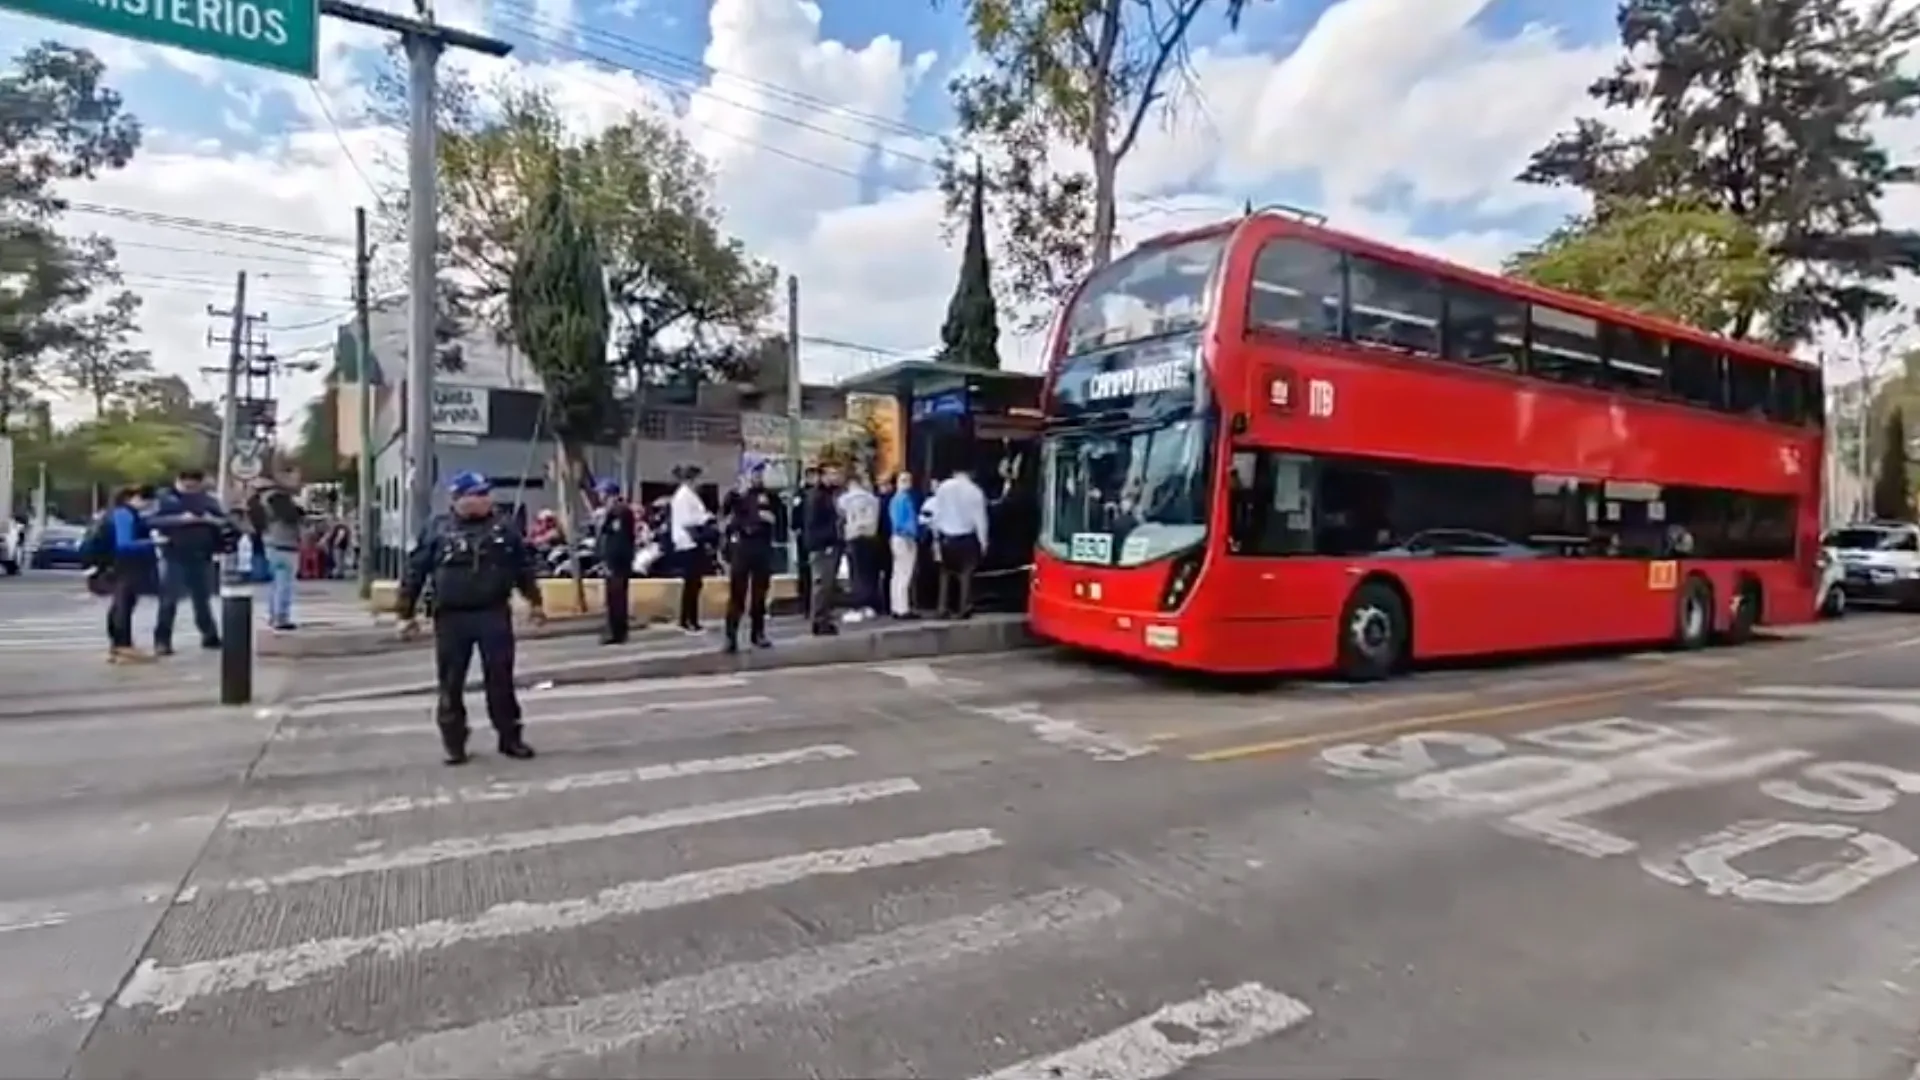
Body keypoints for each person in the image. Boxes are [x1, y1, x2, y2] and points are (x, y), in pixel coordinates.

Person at [397, 471, 546, 766]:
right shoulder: (438, 529)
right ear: (458, 498)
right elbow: (415, 571)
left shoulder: (504, 528)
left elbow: (523, 567)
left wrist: (535, 603)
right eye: (477, 494)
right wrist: (405, 613)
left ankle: (510, 737)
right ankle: (454, 742)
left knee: (500, 678)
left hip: (493, 613)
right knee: (451, 682)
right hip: (451, 616)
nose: (485, 499)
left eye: (486, 494)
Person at [149, 468, 233, 655]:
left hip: (202, 555)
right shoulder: (166, 500)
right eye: (187, 486)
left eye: (195, 486)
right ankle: (162, 640)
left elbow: (224, 522)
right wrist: (179, 520)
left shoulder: (208, 501)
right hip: (174, 555)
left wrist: (210, 520)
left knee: (202, 599)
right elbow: (151, 521)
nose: (191, 489)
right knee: (169, 600)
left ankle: (209, 635)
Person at [99, 485, 160, 664]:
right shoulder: (124, 514)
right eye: (145, 499)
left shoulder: (117, 513)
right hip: (125, 564)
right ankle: (122, 646)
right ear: (131, 498)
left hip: (119, 564)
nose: (148, 504)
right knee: (123, 604)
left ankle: (119, 646)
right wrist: (153, 542)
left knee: (120, 605)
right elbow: (125, 544)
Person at [720, 464, 778, 653]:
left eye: (760, 474)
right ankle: (731, 636)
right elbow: (724, 513)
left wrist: (771, 518)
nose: (758, 477)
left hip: (762, 546)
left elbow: (780, 520)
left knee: (759, 595)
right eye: (754, 473)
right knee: (737, 594)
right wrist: (736, 494)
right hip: (742, 546)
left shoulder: (769, 496)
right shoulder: (737, 496)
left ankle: (758, 633)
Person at [248, 468, 305, 630]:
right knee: (284, 583)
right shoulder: (277, 497)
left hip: (270, 543)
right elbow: (293, 516)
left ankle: (274, 615)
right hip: (284, 543)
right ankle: (281, 617)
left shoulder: (258, 500)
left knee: (276, 583)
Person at [929, 467, 989, 619]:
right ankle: (964, 607)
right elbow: (980, 520)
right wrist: (983, 542)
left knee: (945, 573)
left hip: (946, 537)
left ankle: (942, 607)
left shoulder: (943, 488)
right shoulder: (975, 491)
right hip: (966, 537)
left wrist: (936, 538)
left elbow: (936, 515)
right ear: (971, 473)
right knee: (966, 573)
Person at [668, 464, 715, 634]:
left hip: (692, 542)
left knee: (694, 583)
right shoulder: (683, 497)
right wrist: (705, 519)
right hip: (689, 543)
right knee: (692, 583)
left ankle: (687, 619)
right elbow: (688, 521)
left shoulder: (689, 495)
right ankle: (689, 620)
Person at [802, 464, 844, 635]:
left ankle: (824, 618)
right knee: (822, 584)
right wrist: (827, 540)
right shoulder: (817, 497)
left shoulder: (829, 495)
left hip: (829, 543)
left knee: (827, 584)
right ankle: (820, 620)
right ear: (823, 476)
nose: (836, 477)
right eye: (832, 474)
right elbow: (813, 524)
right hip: (823, 545)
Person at [595, 479, 637, 645]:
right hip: (614, 559)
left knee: (616, 597)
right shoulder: (612, 510)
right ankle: (617, 630)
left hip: (617, 560)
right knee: (614, 596)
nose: (599, 496)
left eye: (601, 492)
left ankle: (616, 631)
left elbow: (618, 538)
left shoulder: (619, 511)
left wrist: (611, 560)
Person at [836, 473, 881, 621]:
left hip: (853, 536)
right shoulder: (872, 499)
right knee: (869, 573)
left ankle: (857, 606)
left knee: (856, 573)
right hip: (870, 536)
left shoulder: (844, 500)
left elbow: (840, 516)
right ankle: (869, 605)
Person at [887, 471, 920, 619]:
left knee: (898, 573)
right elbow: (900, 522)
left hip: (898, 537)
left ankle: (897, 606)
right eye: (904, 480)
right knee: (905, 573)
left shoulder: (896, 499)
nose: (907, 483)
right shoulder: (903, 499)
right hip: (905, 537)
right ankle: (903, 609)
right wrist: (908, 536)